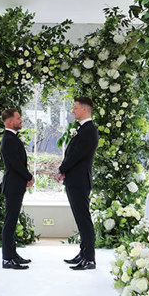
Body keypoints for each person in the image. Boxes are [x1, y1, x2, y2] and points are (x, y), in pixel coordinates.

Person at [57, 96, 99, 271]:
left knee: (84, 219)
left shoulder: (89, 130)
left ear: (84, 109)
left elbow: (76, 156)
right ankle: (83, 253)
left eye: (75, 108)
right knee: (80, 219)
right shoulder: (84, 129)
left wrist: (61, 169)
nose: (73, 111)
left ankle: (89, 259)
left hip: (79, 180)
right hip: (75, 180)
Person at [0, 108, 34, 270]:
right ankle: (7, 258)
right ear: (10, 121)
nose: (21, 120)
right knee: (10, 222)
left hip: (15, 185)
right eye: (18, 118)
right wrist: (28, 176)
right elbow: (16, 164)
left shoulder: (11, 138)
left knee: (12, 222)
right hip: (13, 185)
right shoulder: (9, 139)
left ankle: (13, 255)